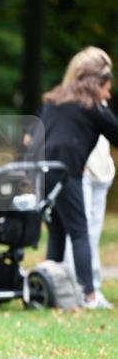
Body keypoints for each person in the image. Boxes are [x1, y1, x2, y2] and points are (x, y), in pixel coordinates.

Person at [39, 46, 118, 308]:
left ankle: (51, 291)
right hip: (66, 173)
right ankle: (89, 295)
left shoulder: (54, 99)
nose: (108, 94)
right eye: (107, 88)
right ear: (99, 84)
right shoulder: (93, 107)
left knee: (58, 232)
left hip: (42, 170)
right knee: (80, 232)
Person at [61, 48, 116, 308]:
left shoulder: (92, 102)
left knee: (89, 233)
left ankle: (88, 287)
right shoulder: (76, 102)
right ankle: (82, 290)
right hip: (81, 172)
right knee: (81, 233)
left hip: (99, 171)